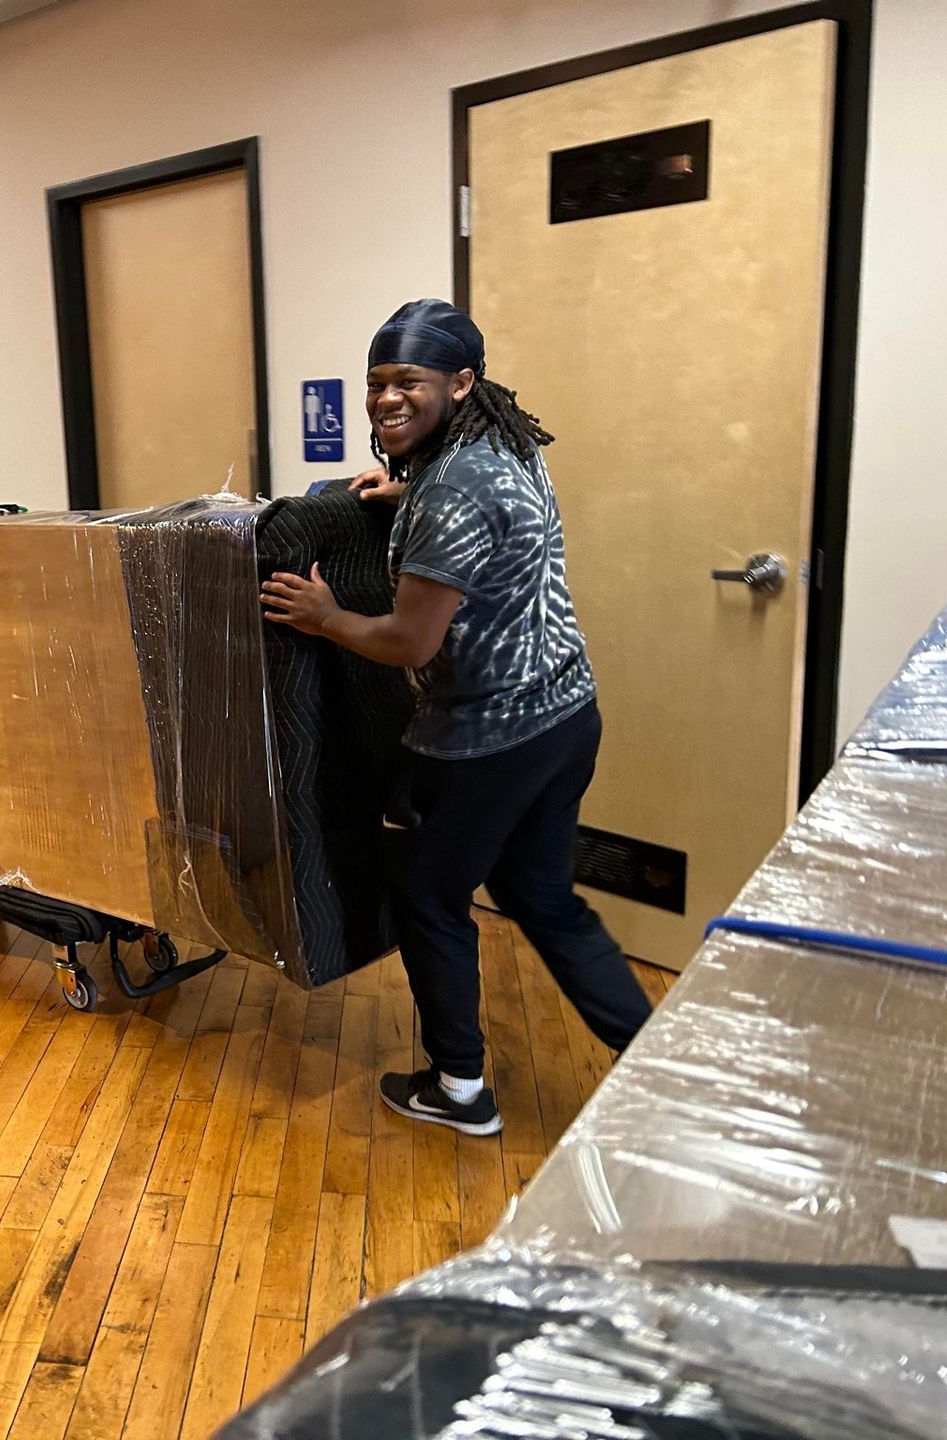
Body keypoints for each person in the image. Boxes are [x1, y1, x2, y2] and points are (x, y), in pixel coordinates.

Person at [260, 298, 651, 1136]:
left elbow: (406, 640)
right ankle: (662, 1061)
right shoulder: (503, 445)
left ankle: (459, 1089)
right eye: (376, 384)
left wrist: (326, 616)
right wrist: (405, 491)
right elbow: (481, 518)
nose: (386, 400)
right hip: (566, 715)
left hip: (490, 738)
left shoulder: (452, 492)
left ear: (462, 382)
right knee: (541, 895)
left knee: (432, 898)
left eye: (410, 383)